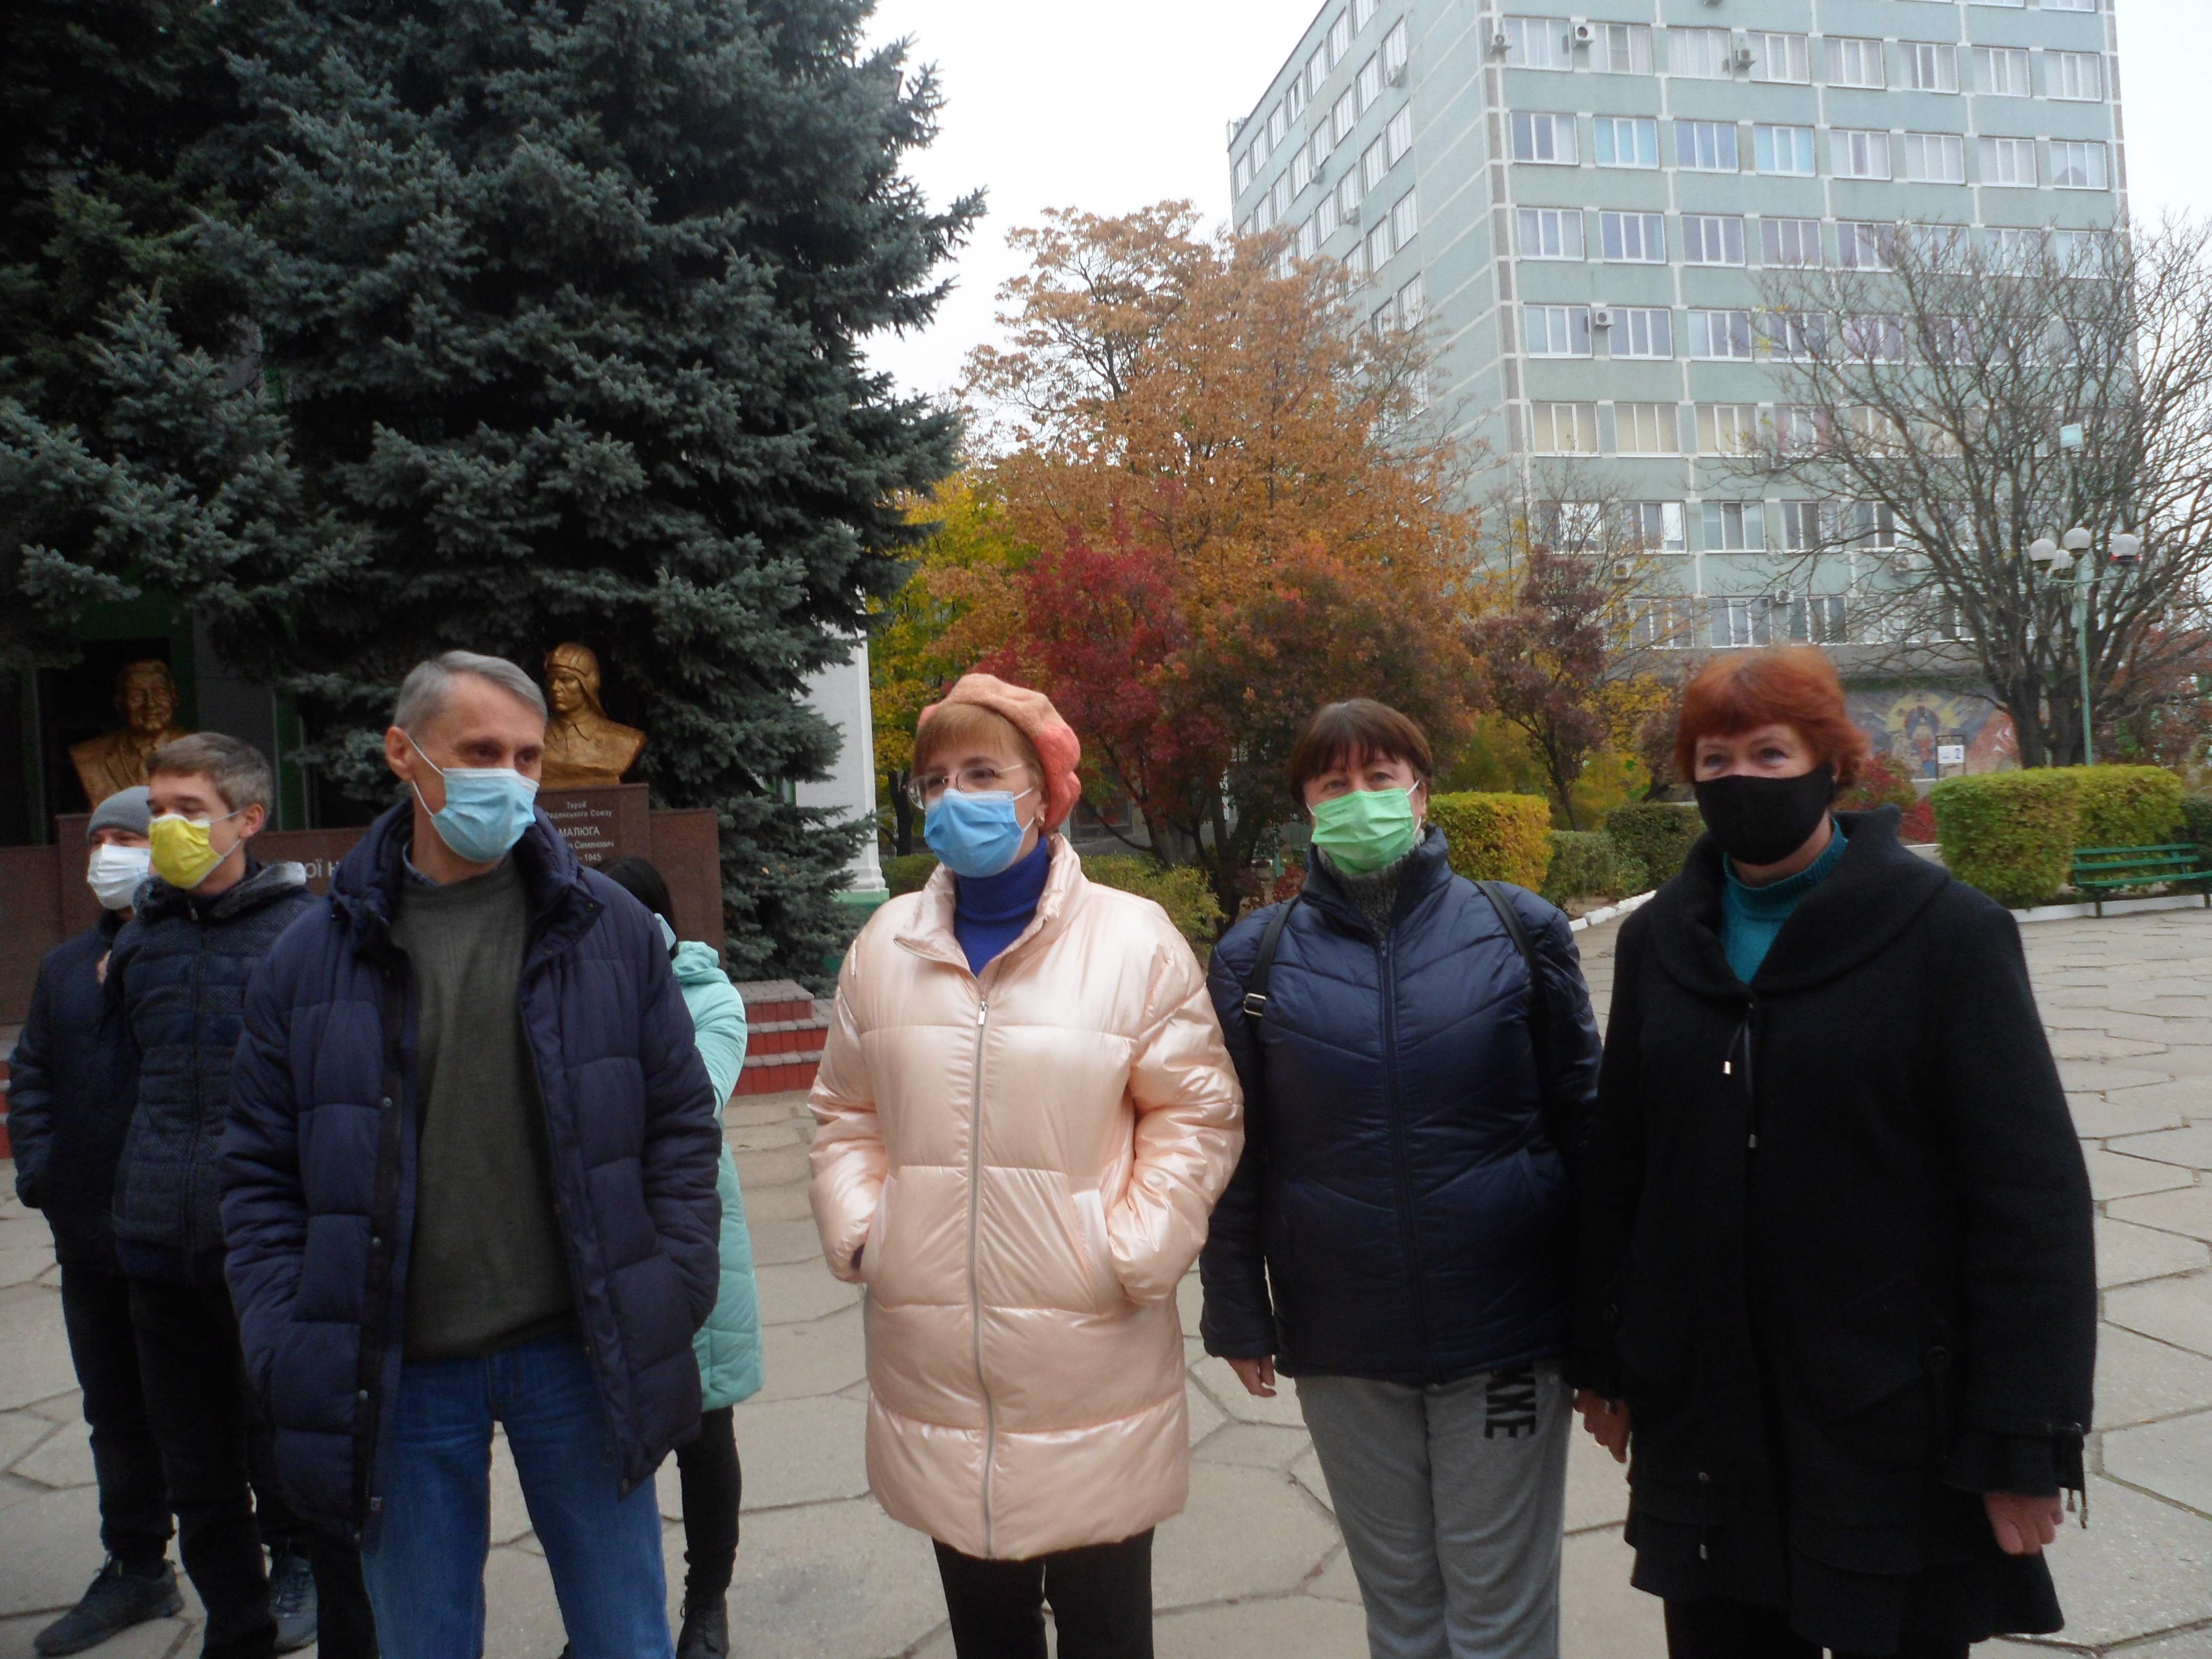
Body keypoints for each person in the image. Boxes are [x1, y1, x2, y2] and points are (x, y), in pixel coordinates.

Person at [1570, 647, 2097, 1659]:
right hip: (1709, 1421)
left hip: (1887, 1420)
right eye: (1715, 759)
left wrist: (2025, 1437)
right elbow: (1622, 1159)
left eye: (1770, 753)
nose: (1740, 780)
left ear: (1831, 765)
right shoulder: (1661, 942)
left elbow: (2030, 1200)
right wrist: (1606, 1354)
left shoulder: (1947, 934)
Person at [220, 650, 722, 1659]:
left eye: (527, 757)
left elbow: (678, 1126)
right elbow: (260, 1172)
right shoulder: (309, 955)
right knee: (424, 1643)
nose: (510, 778)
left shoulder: (610, 927)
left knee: (627, 1638)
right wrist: (286, 1337)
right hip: (397, 1372)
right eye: (481, 752)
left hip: (580, 1356)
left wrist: (669, 1288)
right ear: (402, 753)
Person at [809, 672, 1243, 1659]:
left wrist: (1134, 1248)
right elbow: (844, 1110)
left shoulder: (1132, 941)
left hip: (1091, 1364)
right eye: (934, 780)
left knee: (1105, 1634)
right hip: (936, 1371)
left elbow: (1198, 1112)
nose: (952, 798)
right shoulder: (885, 946)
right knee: (988, 1636)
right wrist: (867, 1228)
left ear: (1043, 794)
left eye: (980, 773)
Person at [1199, 699, 1604, 1659]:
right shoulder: (1255, 958)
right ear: (1306, 805)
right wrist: (1238, 1310)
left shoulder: (1518, 928)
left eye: (1380, 777)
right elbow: (1234, 1151)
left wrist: (1606, 1319)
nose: (1360, 798)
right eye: (1334, 783)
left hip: (1507, 1332)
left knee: (1499, 1619)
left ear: (1421, 792)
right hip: (1344, 1337)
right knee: (1405, 1615)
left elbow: (1586, 1125)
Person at [105, 735, 376, 1659]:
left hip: (266, 1249)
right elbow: (120, 1078)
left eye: (189, 810)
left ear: (248, 819)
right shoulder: (139, 940)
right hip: (156, 1243)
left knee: (303, 1460)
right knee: (198, 1475)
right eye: (158, 811)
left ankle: (347, 1631)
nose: (167, 829)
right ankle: (237, 1632)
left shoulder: (309, 935)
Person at [9, 788, 186, 1654]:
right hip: (92, 1234)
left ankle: (291, 1553)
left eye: (130, 838)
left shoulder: (203, 951)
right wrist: (46, 1173)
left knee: (242, 1408)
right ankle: (137, 1564)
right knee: (115, 1411)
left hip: (191, 1234)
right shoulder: (65, 966)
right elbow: (33, 1076)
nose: (109, 854)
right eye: (100, 839)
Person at [599, 857, 763, 1659]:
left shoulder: (709, 997)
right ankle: (612, 1615)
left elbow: (697, 1102)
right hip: (597, 1238)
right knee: (601, 1444)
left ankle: (707, 1604)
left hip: (693, 1235)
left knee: (704, 1430)